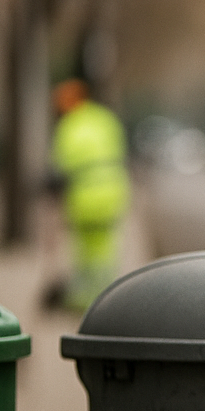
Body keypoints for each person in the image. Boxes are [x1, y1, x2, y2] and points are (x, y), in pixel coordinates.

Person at [51, 79, 130, 310]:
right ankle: (109, 297)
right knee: (106, 248)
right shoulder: (105, 118)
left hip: (84, 196)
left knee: (85, 251)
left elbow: (61, 167)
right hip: (114, 191)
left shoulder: (68, 127)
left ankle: (85, 301)